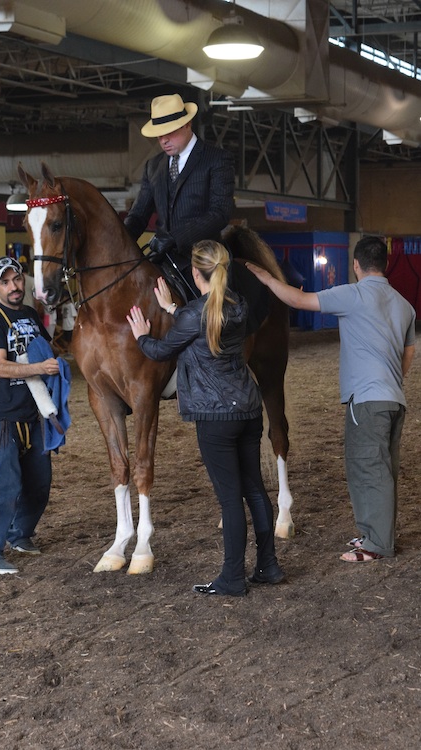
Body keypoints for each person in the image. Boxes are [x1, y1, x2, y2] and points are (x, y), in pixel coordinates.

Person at [127, 239, 285, 596]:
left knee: (230, 500)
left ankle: (232, 577)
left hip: (215, 418)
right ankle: (268, 566)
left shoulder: (193, 315)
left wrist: (140, 336)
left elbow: (160, 350)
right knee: (255, 490)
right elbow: (203, 324)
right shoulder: (239, 306)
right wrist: (172, 308)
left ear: (195, 273)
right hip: (247, 407)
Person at [246, 235, 416, 563]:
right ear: (385, 264)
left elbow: (298, 299)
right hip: (394, 399)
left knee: (367, 469)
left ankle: (376, 545)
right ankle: (376, 534)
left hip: (367, 401)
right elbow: (407, 357)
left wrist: (267, 278)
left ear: (356, 265)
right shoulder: (404, 305)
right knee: (384, 470)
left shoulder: (352, 295)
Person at [0, 256, 60, 575]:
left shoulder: (30, 314)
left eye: (17, 280)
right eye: (5, 282)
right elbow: (0, 366)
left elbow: (47, 351)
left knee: (39, 482)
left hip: (32, 412)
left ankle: (20, 535)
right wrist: (39, 368)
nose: (13, 287)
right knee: (5, 482)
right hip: (4, 415)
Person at [124, 93, 235, 296]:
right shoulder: (153, 166)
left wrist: (175, 237)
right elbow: (139, 215)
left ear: (187, 124)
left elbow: (221, 212)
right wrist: (119, 240)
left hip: (206, 261)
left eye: (170, 132)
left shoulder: (217, 160)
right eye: (159, 134)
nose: (163, 140)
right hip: (163, 259)